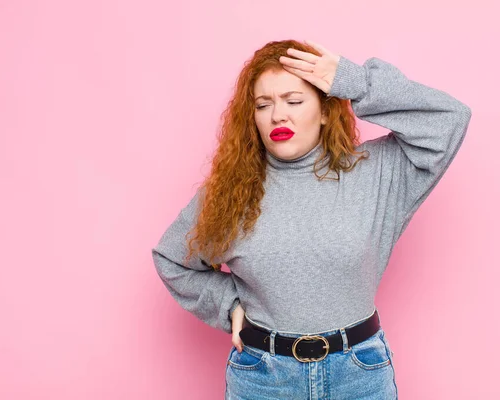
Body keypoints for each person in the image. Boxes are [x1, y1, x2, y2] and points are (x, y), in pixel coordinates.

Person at [151, 39, 471, 399]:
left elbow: (450, 119)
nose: (277, 116)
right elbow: (171, 259)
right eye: (263, 105)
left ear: (323, 110)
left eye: (294, 101)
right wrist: (227, 306)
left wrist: (357, 83)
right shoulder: (230, 192)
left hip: (359, 376)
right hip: (263, 378)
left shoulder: (376, 173)